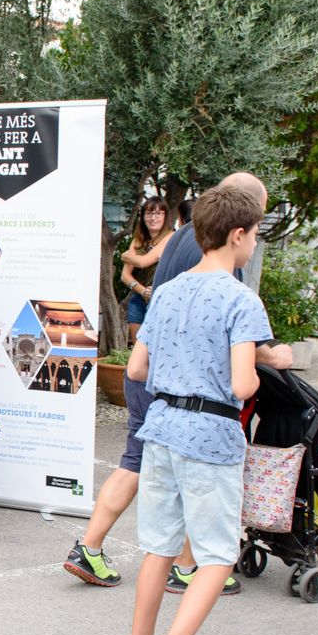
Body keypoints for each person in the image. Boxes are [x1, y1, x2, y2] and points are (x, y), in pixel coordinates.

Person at [63, 173, 286, 595]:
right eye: (257, 226)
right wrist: (271, 355)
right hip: (188, 397)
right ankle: (186, 568)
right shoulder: (228, 277)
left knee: (136, 461)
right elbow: (226, 342)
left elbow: (145, 355)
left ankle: (90, 546)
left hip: (154, 384)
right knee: (187, 477)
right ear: (240, 228)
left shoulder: (188, 234)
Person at [124, 184, 272, 635]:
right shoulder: (241, 299)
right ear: (237, 235)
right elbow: (240, 385)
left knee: (159, 545)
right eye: (255, 233)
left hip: (161, 427)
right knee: (216, 554)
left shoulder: (166, 291)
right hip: (210, 434)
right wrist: (263, 369)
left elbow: (137, 368)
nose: (255, 243)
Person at [119, 196, 174, 343]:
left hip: (161, 299)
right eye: (149, 214)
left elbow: (144, 262)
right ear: (143, 217)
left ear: (165, 216)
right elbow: (125, 275)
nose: (153, 218)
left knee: (155, 345)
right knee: (137, 346)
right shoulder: (138, 240)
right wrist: (143, 291)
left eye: (158, 213)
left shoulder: (170, 237)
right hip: (138, 298)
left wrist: (125, 257)